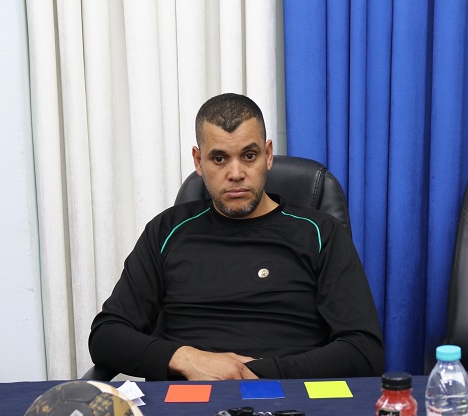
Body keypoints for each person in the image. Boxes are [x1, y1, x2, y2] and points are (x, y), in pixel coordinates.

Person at [89, 93, 384, 380]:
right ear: (198, 161)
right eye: (219, 158)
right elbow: (106, 336)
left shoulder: (320, 233)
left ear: (268, 155)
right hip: (187, 398)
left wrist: (256, 372)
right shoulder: (166, 230)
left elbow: (364, 351)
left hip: (289, 395)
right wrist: (188, 359)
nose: (236, 173)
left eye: (249, 156)